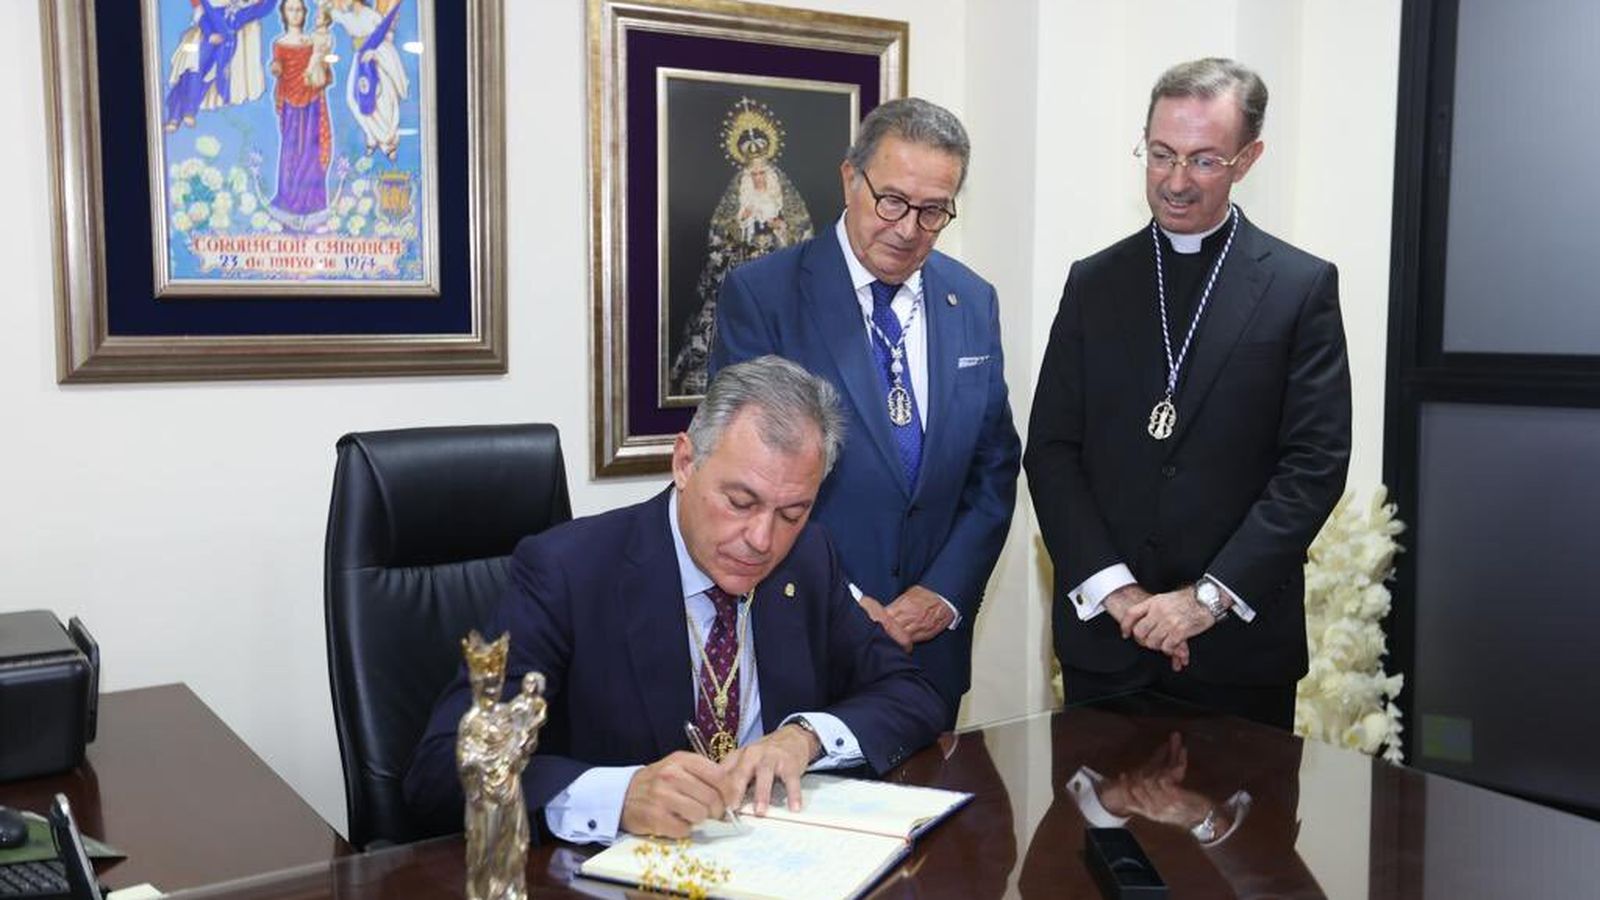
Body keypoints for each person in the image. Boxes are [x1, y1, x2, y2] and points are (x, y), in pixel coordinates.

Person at [404, 356, 946, 843]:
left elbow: (912, 693)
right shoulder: (567, 571)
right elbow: (442, 770)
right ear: (685, 463)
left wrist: (804, 738)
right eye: (740, 502)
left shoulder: (808, 560)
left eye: (791, 513)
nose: (762, 540)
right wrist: (618, 796)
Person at [1025, 57, 1350, 731]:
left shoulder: (1299, 287)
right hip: (1107, 647)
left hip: (1237, 654)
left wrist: (1203, 601)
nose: (1175, 182)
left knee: (1240, 839)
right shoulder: (1094, 283)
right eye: (1161, 154)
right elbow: (1053, 449)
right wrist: (1117, 592)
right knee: (1093, 840)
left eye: (1203, 160)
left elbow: (1313, 466)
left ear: (1247, 158)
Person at [709, 98, 1021, 726]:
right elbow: (746, 482)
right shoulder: (765, 296)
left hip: (930, 653)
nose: (909, 228)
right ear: (850, 179)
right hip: (806, 636)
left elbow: (993, 469)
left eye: (934, 210)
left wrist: (942, 593)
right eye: (892, 201)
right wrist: (851, 602)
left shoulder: (971, 301)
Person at [669, 97, 814, 397]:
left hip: (780, 282)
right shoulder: (738, 203)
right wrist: (741, 224)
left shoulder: (783, 202)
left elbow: (803, 238)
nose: (759, 178)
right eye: (755, 175)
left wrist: (780, 229)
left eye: (763, 174)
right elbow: (718, 240)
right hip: (742, 275)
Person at [163, 0, 275, 132]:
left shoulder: (241, 11)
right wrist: (210, 34)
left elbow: (261, 9)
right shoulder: (209, 6)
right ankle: (180, 114)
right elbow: (202, 14)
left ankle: (183, 113)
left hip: (223, 44)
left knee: (209, 72)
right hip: (197, 40)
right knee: (192, 67)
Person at [268, 0, 333, 222]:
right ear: (284, 14)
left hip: (312, 101)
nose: (295, 14)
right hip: (290, 102)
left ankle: (313, 204)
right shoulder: (279, 43)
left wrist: (321, 64)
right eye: (290, 9)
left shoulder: (311, 42)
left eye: (299, 9)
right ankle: (288, 203)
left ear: (304, 13)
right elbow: (277, 64)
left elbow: (324, 69)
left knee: (311, 151)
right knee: (291, 149)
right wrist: (276, 68)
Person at [328, 0, 410, 160]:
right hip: (359, 62)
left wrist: (375, 53)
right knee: (354, 99)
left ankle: (388, 143)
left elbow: (385, 39)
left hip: (377, 61)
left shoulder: (372, 16)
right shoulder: (349, 16)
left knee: (382, 102)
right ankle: (371, 135)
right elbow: (332, 12)